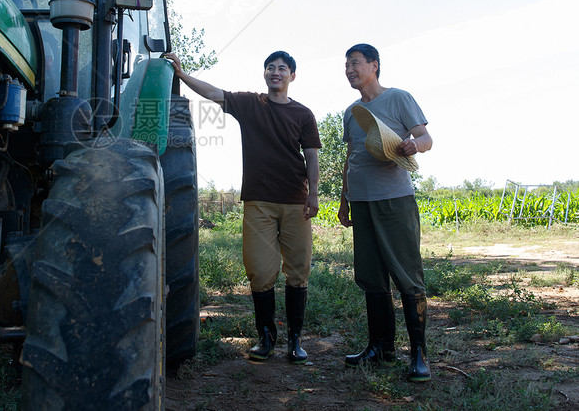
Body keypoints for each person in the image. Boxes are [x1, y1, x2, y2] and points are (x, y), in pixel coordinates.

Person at [164, 51, 320, 362]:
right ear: (264, 74)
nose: (276, 72)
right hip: (259, 202)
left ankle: (294, 340)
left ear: (292, 76)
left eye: (282, 69)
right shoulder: (251, 104)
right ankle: (265, 338)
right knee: (260, 271)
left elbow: (312, 156)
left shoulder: (303, 114)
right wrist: (182, 76)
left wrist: (313, 193)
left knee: (298, 272)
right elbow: (213, 93)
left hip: (295, 202)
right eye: (270, 68)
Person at [337, 43, 433, 382]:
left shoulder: (398, 98)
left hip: (394, 199)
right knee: (371, 276)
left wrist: (413, 145)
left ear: (374, 65)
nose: (350, 69)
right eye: (346, 65)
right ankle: (381, 347)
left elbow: (426, 138)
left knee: (407, 275)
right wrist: (344, 198)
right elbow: (351, 157)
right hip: (361, 202)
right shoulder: (350, 112)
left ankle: (419, 353)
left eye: (356, 63)